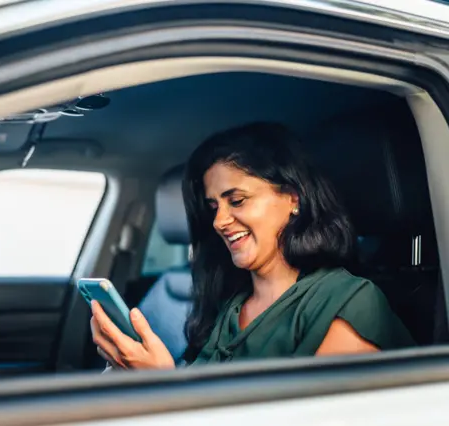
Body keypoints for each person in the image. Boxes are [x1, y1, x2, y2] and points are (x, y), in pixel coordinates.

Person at [90, 122, 415, 370]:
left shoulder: (350, 302)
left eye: (237, 200)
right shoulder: (230, 303)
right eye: (214, 207)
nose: (219, 222)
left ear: (293, 199)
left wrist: (161, 384)